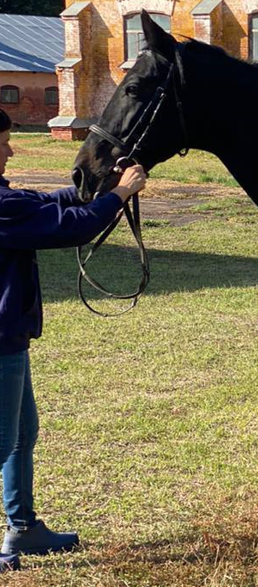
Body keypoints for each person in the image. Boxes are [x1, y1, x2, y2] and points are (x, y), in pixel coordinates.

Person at [0, 108, 147, 569]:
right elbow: (69, 227)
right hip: (0, 341)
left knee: (22, 435)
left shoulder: (5, 198)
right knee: (3, 441)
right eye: (1, 143)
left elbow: (47, 203)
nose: (9, 149)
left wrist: (102, 181)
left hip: (11, 337)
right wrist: (121, 195)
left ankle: (23, 529)